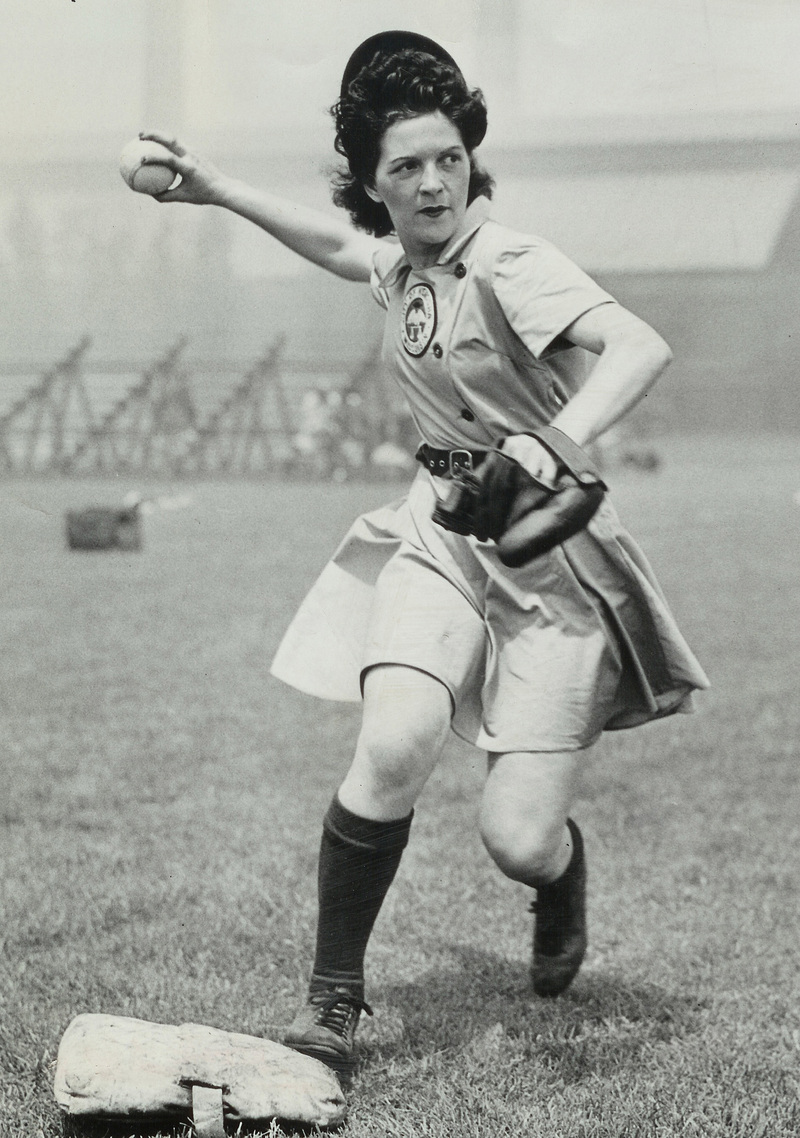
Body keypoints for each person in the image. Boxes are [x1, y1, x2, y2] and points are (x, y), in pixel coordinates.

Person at [137, 30, 709, 1081]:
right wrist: (216, 189)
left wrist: (545, 440)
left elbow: (638, 345)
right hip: (441, 528)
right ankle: (332, 1003)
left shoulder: (513, 262)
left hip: (550, 563)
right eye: (404, 165)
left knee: (515, 838)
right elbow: (337, 247)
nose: (433, 180)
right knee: (394, 738)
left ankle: (559, 873)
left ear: (468, 156)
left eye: (447, 156)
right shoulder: (398, 262)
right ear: (371, 180)